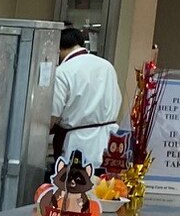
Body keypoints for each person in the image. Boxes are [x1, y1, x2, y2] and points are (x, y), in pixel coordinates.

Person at [50, 26, 124, 171]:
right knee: (106, 190)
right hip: (110, 144)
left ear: (59, 49)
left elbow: (53, 116)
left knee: (76, 191)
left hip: (78, 144)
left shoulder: (62, 72)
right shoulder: (106, 66)